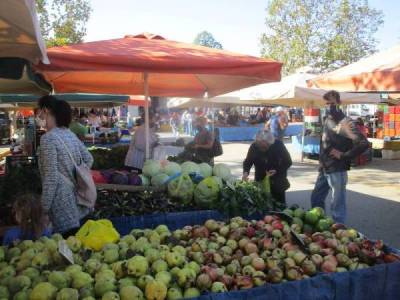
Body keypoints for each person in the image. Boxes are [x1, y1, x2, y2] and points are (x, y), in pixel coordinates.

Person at [37, 96, 94, 236]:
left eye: (39, 112)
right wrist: (76, 176)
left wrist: (43, 209)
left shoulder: (48, 139)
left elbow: (51, 177)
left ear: (46, 110)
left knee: (65, 245)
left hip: (61, 203)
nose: (38, 116)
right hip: (78, 200)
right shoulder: (69, 134)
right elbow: (89, 159)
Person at [310, 90, 369, 223]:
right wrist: (321, 161)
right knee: (316, 199)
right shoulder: (327, 119)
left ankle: (339, 231)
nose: (330, 106)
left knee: (337, 207)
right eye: (327, 103)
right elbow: (324, 141)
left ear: (339, 103)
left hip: (338, 169)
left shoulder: (346, 123)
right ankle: (319, 225)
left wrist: (344, 155)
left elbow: (363, 143)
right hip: (325, 168)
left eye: (332, 103)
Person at [242, 130, 292, 204]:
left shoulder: (278, 145)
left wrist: (277, 170)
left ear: (270, 143)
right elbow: (248, 161)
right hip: (260, 181)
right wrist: (246, 172)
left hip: (277, 182)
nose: (262, 149)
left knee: (279, 207)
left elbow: (288, 162)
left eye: (265, 147)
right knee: (262, 206)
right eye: (260, 146)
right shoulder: (254, 146)